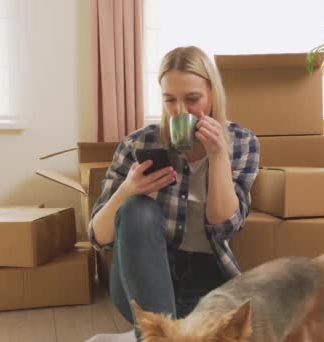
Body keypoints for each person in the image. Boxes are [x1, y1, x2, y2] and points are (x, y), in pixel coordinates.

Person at [87, 46, 260, 337]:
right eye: (170, 100)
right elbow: (98, 236)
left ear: (213, 94)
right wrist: (126, 191)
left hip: (207, 279)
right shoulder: (137, 145)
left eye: (192, 99)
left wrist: (218, 155)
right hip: (142, 274)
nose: (179, 111)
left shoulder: (242, 143)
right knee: (136, 209)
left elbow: (225, 224)